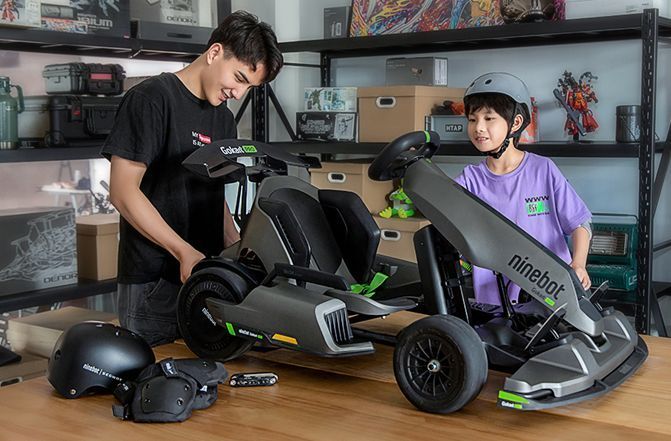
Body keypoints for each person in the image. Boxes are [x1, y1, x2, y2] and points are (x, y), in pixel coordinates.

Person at [101, 11, 284, 346]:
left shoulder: (224, 120)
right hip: (155, 283)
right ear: (215, 53)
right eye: (239, 78)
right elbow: (123, 192)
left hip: (207, 278)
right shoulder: (151, 100)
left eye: (249, 87)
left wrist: (238, 249)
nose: (239, 93)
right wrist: (184, 252)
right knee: (155, 376)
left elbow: (213, 197)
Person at [456, 72, 592, 306]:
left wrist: (578, 264)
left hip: (552, 297)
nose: (478, 127)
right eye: (472, 119)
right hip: (495, 306)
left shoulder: (543, 170)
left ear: (516, 123)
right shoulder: (469, 180)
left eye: (489, 118)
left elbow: (580, 225)